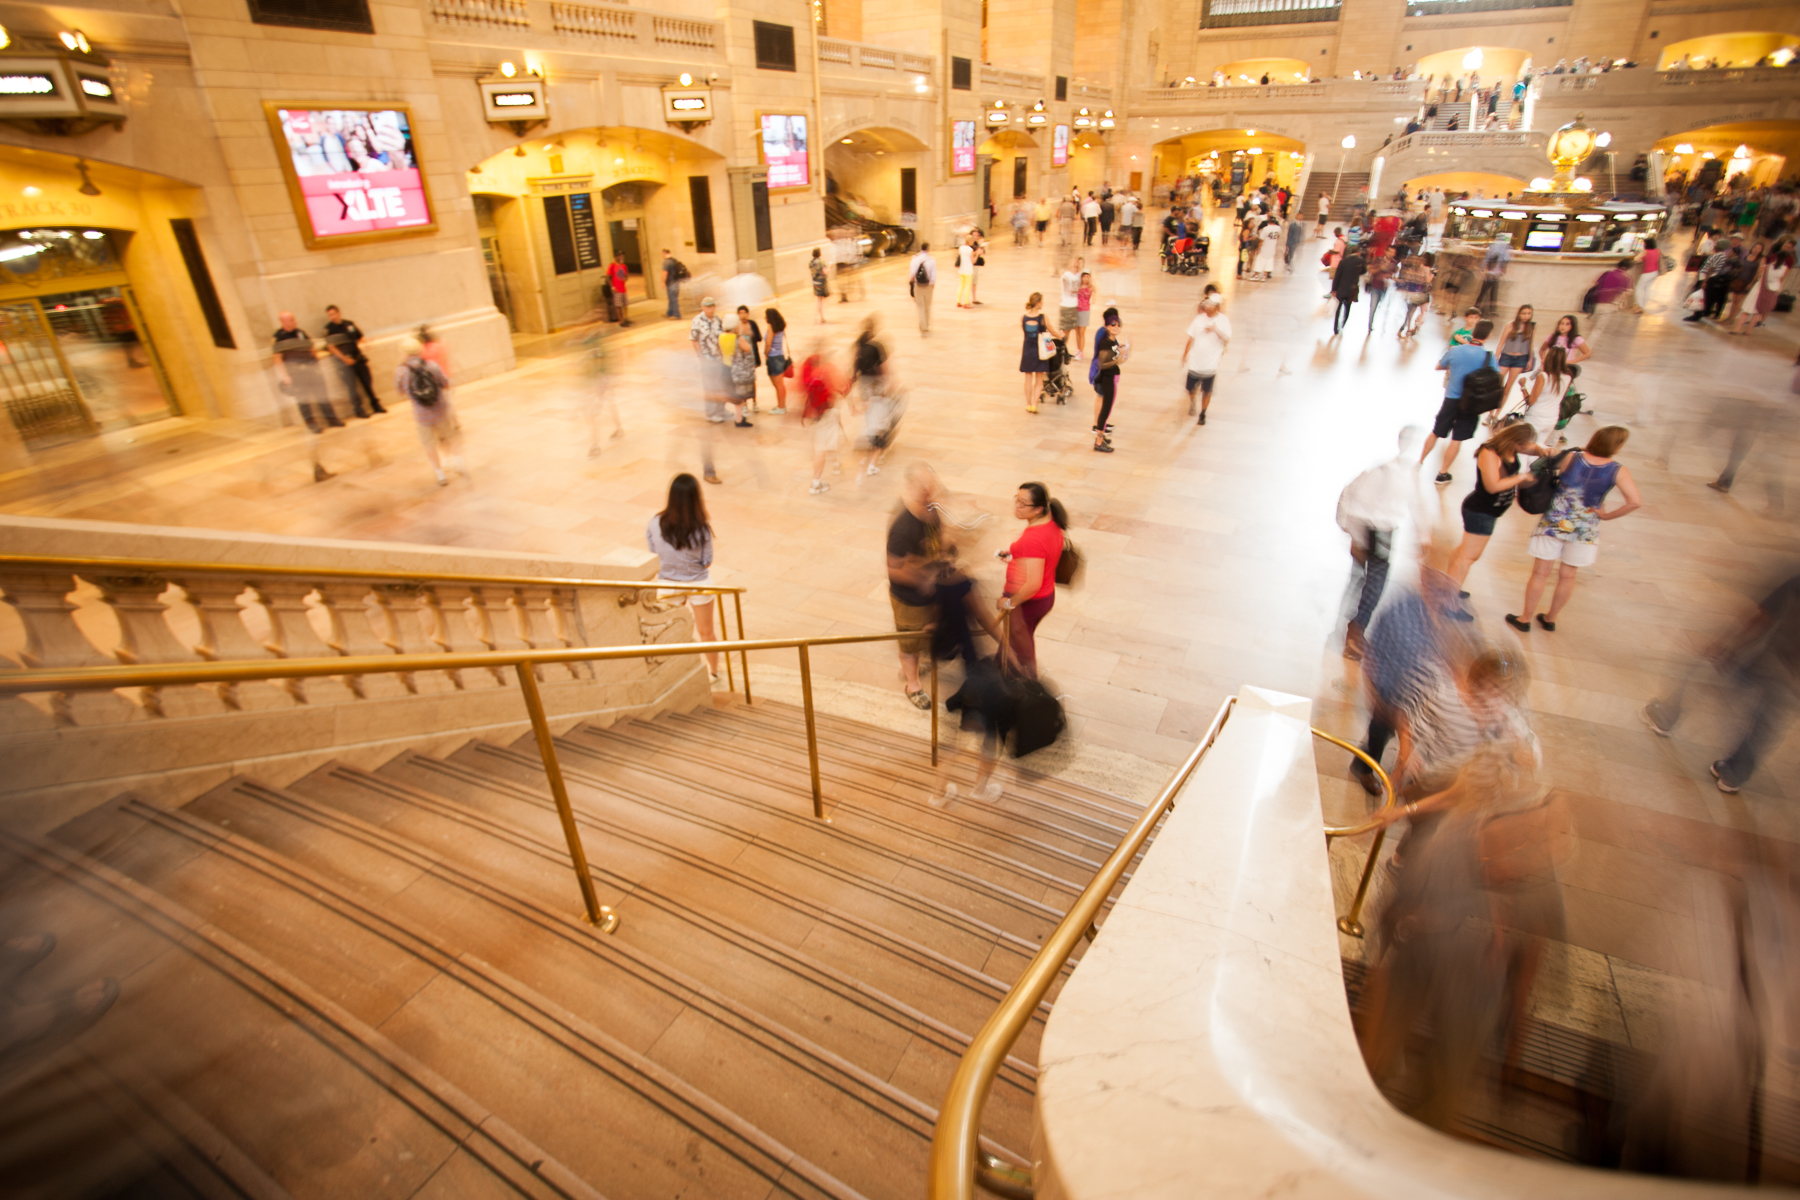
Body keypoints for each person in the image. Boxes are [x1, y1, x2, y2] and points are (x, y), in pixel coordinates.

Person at [1643, 568, 1800, 794]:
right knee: (1766, 725)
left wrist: (1729, 644)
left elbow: (1763, 617)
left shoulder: (1797, 580)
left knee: (1705, 674)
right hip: (1793, 679)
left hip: (1766, 659)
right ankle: (1733, 774)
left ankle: (1666, 715)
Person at [1505, 425, 1642, 633]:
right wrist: (1605, 515)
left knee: (1540, 573)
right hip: (1585, 529)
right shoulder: (1618, 470)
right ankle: (1550, 618)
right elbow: (1634, 502)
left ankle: (1525, 619)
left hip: (1553, 522)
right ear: (1616, 446)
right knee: (1568, 575)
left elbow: (1542, 461)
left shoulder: (1571, 457)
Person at [1337, 427, 1422, 661]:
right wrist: (1356, 537)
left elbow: (1414, 502)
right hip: (1372, 531)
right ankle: (1355, 631)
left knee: (1366, 579)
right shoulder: (1381, 471)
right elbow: (1352, 499)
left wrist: (1424, 536)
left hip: (1385, 531)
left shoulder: (1409, 470)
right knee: (1375, 582)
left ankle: (1355, 625)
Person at [1447, 422, 1550, 586]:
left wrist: (1543, 450)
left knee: (1464, 552)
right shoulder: (1489, 452)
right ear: (1514, 440)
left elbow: (1531, 448)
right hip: (1481, 511)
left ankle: (1447, 585)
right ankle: (1449, 599)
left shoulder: (1510, 448)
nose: (1525, 448)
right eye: (1523, 444)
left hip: (1489, 511)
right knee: (1468, 557)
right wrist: (1520, 477)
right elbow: (1492, 486)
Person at [646, 473, 720, 679]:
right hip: (698, 582)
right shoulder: (701, 527)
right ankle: (713, 673)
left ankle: (673, 674)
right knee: (706, 632)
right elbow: (707, 561)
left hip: (667, 583)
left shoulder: (655, 522)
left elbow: (653, 552)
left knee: (669, 631)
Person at [888, 464, 944, 709]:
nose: (928, 490)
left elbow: (936, 542)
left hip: (928, 593)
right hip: (908, 598)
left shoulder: (930, 512)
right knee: (909, 641)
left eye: (931, 484)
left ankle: (911, 665)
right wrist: (924, 580)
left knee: (922, 635)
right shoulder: (902, 526)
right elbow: (893, 570)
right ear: (910, 486)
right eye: (922, 486)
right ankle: (913, 684)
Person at [997, 482, 1066, 679]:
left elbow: (1032, 584)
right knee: (1010, 646)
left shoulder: (1032, 539)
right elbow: (1041, 555)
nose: (1016, 506)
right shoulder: (1050, 522)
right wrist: (1015, 555)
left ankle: (1031, 691)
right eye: (1016, 500)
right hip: (1045, 597)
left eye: (1023, 503)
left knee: (1022, 656)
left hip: (1027, 601)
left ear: (1038, 509)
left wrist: (1009, 602)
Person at [1420, 319, 1496, 483]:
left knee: (1436, 431)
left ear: (1473, 332)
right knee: (1456, 439)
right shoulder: (1488, 357)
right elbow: (1496, 376)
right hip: (1471, 403)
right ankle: (1442, 472)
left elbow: (1439, 366)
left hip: (1451, 398)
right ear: (1489, 335)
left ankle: (1420, 461)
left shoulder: (1456, 350)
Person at [394, 336, 462, 486]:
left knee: (429, 444)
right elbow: (445, 383)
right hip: (440, 409)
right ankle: (456, 461)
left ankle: (440, 474)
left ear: (404, 353)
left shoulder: (401, 371)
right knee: (449, 435)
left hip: (421, 414)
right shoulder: (431, 365)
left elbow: (399, 391)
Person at [272, 311, 343, 437]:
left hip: (311, 369)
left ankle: (332, 419)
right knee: (304, 401)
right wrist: (285, 376)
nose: (295, 322)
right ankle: (312, 424)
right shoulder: (279, 337)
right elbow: (277, 358)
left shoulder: (300, 332)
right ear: (284, 322)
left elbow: (311, 348)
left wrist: (317, 364)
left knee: (322, 395)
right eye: (292, 320)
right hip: (296, 373)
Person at [322, 305, 383, 418]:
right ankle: (359, 410)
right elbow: (331, 347)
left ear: (339, 313)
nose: (332, 317)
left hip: (357, 358)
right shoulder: (329, 329)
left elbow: (359, 336)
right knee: (351, 387)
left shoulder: (348, 324)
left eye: (333, 314)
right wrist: (344, 359)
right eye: (330, 315)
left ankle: (376, 405)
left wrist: (366, 343)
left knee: (367, 382)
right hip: (344, 362)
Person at [799, 345, 843, 494]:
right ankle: (815, 483)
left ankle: (836, 464)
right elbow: (840, 388)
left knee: (824, 443)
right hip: (826, 413)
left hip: (814, 413)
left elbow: (800, 388)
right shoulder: (826, 370)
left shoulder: (808, 368)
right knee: (821, 448)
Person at [1182, 294, 1231, 425]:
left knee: (1207, 390)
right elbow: (1191, 337)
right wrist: (1185, 354)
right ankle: (1193, 401)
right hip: (1195, 361)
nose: (1207, 307)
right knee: (1190, 389)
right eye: (1206, 304)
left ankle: (1203, 412)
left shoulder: (1223, 320)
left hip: (1211, 363)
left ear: (1216, 307)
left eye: (1210, 305)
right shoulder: (1198, 319)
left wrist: (1216, 330)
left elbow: (1227, 339)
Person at [1734, 244, 1791, 333]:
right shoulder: (1785, 269)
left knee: (1747, 309)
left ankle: (1737, 329)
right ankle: (1749, 331)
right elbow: (1781, 280)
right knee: (1759, 311)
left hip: (1759, 288)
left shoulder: (1767, 266)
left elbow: (1759, 275)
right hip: (1771, 291)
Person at [1091, 307, 1124, 453]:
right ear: (1106, 326)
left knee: (1107, 408)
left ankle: (1101, 436)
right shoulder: (1105, 342)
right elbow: (1103, 364)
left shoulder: (1112, 341)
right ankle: (1099, 441)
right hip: (1107, 379)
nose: (1116, 327)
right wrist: (1119, 358)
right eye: (1112, 325)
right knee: (1105, 409)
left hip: (1112, 378)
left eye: (1118, 325)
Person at [1495, 305, 1536, 405]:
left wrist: (1530, 359)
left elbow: (1531, 344)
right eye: (1524, 313)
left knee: (1508, 388)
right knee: (1497, 385)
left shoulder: (1531, 326)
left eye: (1529, 313)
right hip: (1506, 357)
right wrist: (1495, 358)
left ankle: (1496, 415)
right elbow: (1501, 343)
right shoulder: (1510, 325)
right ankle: (1491, 411)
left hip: (1521, 359)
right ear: (1519, 314)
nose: (1526, 316)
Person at [1020, 292, 1051, 414]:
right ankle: (1034, 404)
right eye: (1042, 301)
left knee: (1028, 378)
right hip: (1040, 351)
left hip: (1027, 350)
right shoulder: (1043, 317)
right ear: (1038, 303)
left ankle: (1028, 403)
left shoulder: (1023, 317)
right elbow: (1051, 330)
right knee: (1039, 380)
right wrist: (1060, 335)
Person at [1330, 244, 1366, 336]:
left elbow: (1337, 276)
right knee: (1348, 308)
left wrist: (1334, 289)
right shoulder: (1360, 261)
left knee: (1338, 309)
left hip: (1341, 288)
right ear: (1358, 252)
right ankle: (1343, 324)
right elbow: (1363, 271)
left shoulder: (1343, 261)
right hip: (1352, 289)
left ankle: (1335, 328)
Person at [763, 308, 790, 415]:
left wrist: (765, 353)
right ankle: (782, 405)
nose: (764, 318)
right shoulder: (780, 326)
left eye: (766, 316)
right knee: (780, 384)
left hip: (773, 357)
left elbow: (768, 343)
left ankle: (781, 407)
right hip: (780, 356)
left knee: (777, 384)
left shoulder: (771, 327)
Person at [1057, 258, 1084, 358]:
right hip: (1067, 305)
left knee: (1073, 329)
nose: (1076, 264)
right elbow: (1070, 289)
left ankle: (1064, 350)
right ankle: (1061, 350)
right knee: (1065, 330)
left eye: (1077, 263)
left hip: (1075, 306)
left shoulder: (1079, 275)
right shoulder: (1066, 276)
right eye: (1074, 262)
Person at [908, 242, 936, 335]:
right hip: (927, 285)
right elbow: (933, 275)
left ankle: (922, 325)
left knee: (920, 307)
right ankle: (927, 325)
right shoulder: (932, 259)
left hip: (918, 285)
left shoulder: (915, 258)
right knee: (927, 306)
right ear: (928, 249)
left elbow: (912, 273)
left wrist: (911, 283)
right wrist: (932, 285)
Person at [606, 253, 633, 326]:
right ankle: (620, 320)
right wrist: (612, 286)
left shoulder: (623, 266)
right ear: (616, 257)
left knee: (625, 304)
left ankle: (626, 318)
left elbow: (626, 275)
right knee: (618, 305)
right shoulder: (612, 265)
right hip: (616, 288)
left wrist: (626, 278)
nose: (621, 257)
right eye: (620, 256)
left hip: (623, 288)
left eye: (622, 256)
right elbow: (608, 277)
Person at [1636, 237, 1661, 311]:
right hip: (1655, 272)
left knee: (1638, 289)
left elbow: (1636, 259)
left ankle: (1640, 305)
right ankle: (1644, 305)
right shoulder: (1657, 251)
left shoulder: (1645, 252)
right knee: (1647, 288)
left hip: (1647, 273)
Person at [661, 249, 685, 319]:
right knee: (672, 298)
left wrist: (663, 282)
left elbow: (665, 273)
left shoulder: (667, 262)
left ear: (664, 253)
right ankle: (669, 313)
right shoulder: (674, 261)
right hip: (676, 282)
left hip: (671, 283)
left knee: (673, 299)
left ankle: (676, 315)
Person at [809, 247, 831, 322]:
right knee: (821, 299)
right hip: (821, 282)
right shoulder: (821, 262)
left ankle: (818, 316)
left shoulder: (811, 262)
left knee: (818, 299)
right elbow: (825, 272)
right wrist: (829, 267)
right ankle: (821, 316)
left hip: (815, 282)